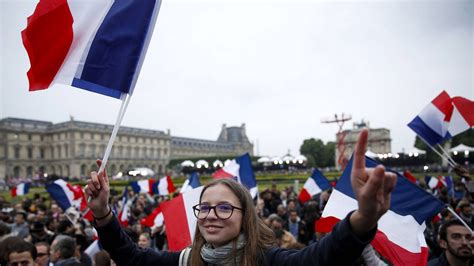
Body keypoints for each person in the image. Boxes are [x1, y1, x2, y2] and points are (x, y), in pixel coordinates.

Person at [85, 128, 397, 265]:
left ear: (243, 214)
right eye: (205, 207)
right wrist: (102, 214)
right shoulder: (184, 260)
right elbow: (129, 256)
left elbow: (322, 258)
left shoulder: (268, 261)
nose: (210, 215)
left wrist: (363, 219)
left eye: (223, 207)